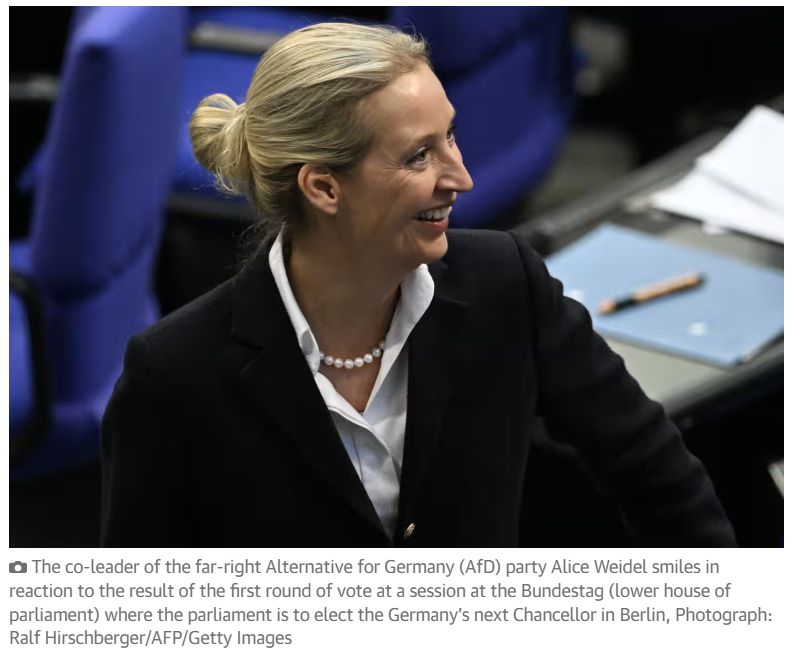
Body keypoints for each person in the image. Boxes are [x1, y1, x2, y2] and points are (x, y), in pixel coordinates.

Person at [101, 22, 735, 548]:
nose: (461, 177)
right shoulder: (175, 375)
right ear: (323, 187)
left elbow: (656, 472)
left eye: (449, 135)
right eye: (419, 156)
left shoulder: (506, 283)